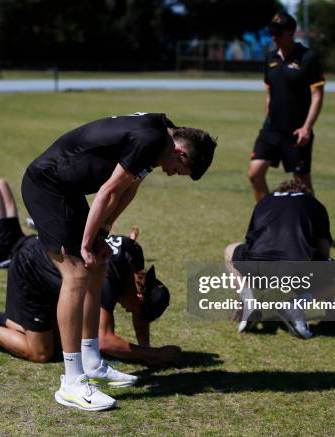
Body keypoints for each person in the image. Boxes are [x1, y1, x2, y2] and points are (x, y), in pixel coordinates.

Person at [22, 112, 216, 410]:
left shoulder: (162, 133)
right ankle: (72, 381)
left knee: (97, 266)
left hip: (68, 188)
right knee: (75, 274)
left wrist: (103, 233)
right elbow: (109, 190)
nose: (172, 173)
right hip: (47, 184)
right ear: (180, 152)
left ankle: (92, 362)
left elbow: (129, 189)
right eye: (178, 170)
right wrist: (88, 243)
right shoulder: (151, 140)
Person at [0, 233, 181, 368]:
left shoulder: (134, 257)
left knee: (66, 342)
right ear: (139, 295)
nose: (128, 312)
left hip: (53, 264)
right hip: (32, 268)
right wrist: (153, 355)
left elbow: (139, 316)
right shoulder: (108, 278)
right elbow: (104, 341)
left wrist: (146, 348)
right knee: (41, 353)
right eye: (134, 312)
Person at [225, 180, 335, 339]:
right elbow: (324, 257)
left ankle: (248, 299)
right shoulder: (313, 203)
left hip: (258, 269)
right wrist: (330, 309)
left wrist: (241, 299)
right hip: (295, 271)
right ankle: (297, 305)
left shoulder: (265, 200)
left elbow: (251, 244)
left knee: (230, 250)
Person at [248, 12, 325, 201]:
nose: (274, 37)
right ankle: (267, 221)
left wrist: (307, 127)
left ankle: (312, 226)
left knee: (302, 184)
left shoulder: (308, 58)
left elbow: (317, 96)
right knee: (255, 174)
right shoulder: (270, 58)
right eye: (272, 33)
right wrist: (268, 121)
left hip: (297, 132)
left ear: (291, 32)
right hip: (272, 129)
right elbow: (270, 94)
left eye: (278, 33)